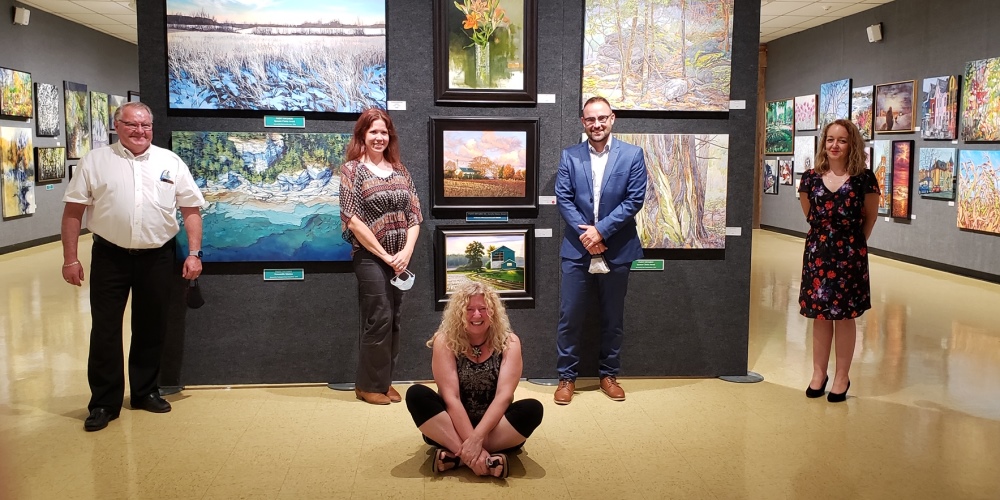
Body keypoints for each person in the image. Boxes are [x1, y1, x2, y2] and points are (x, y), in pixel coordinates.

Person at [61, 102, 205, 432]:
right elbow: (73, 212)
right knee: (105, 329)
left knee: (151, 326)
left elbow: (191, 209)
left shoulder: (169, 161)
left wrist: (194, 253)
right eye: (132, 125)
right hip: (111, 257)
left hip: (157, 257)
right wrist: (70, 258)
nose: (140, 131)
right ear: (117, 126)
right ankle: (103, 402)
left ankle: (144, 392)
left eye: (146, 126)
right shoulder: (95, 162)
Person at [552, 96, 648, 405]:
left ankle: (609, 375)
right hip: (577, 250)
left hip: (617, 248)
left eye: (602, 118)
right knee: (570, 317)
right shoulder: (570, 157)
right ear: (583, 122)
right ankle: (567, 377)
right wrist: (588, 236)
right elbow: (564, 199)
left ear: (612, 118)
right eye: (591, 119)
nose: (597, 124)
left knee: (612, 317)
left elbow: (634, 200)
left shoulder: (632, 155)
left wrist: (601, 231)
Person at [405, 282, 543, 478]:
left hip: (494, 427)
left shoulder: (510, 342)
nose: (476, 315)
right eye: (469, 309)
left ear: (493, 312)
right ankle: (483, 459)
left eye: (483, 309)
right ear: (459, 313)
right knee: (416, 394)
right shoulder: (445, 341)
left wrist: (477, 438)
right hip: (452, 424)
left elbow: (504, 396)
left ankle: (457, 457)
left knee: (533, 409)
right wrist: (472, 441)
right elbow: (450, 397)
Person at [339, 108, 422, 405]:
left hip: (400, 257)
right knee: (379, 317)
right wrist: (386, 256)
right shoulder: (352, 170)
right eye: (373, 131)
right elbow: (353, 220)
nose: (379, 137)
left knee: (395, 318)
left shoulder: (400, 170)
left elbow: (415, 215)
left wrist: (406, 252)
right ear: (362, 135)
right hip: (370, 257)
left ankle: (384, 382)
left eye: (383, 132)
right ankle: (367, 385)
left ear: (390, 136)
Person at [798, 119, 879, 403]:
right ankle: (818, 374)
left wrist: (854, 245)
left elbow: (869, 218)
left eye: (842, 140)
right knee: (819, 317)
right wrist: (826, 240)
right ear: (824, 143)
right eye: (830, 139)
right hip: (818, 255)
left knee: (845, 318)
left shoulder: (864, 179)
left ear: (851, 144)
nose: (834, 145)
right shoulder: (809, 178)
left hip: (849, 257)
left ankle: (842, 377)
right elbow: (810, 215)